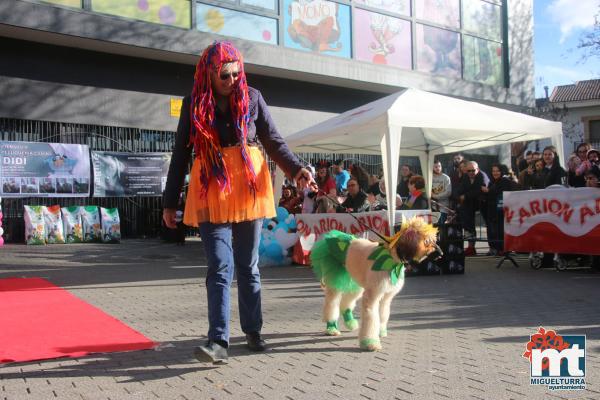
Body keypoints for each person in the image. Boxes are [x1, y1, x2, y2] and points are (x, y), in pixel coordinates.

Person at [162, 41, 312, 364]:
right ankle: (218, 340)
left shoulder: (253, 97)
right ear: (209, 74)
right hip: (210, 185)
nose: (232, 80)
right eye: (224, 75)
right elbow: (180, 155)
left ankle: (253, 330)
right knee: (219, 263)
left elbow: (273, 140)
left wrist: (298, 170)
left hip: (248, 184)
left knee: (248, 264)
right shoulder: (193, 104)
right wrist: (169, 202)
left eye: (235, 73)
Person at [482, 164, 515, 256]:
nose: (495, 173)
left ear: (501, 171)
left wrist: (488, 191)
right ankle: (494, 248)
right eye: (493, 171)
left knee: (501, 230)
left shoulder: (505, 181)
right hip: (492, 210)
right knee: (493, 230)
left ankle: (503, 248)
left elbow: (501, 193)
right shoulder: (491, 182)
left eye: (497, 171)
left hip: (501, 210)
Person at [457, 161, 489, 256]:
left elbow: (479, 190)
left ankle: (495, 248)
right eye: (469, 170)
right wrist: (460, 196)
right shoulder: (466, 176)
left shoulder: (482, 176)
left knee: (490, 225)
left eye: (473, 170)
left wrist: (465, 196)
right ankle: (471, 247)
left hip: (484, 203)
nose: (471, 172)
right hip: (470, 205)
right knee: (467, 223)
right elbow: (461, 189)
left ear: (477, 169)